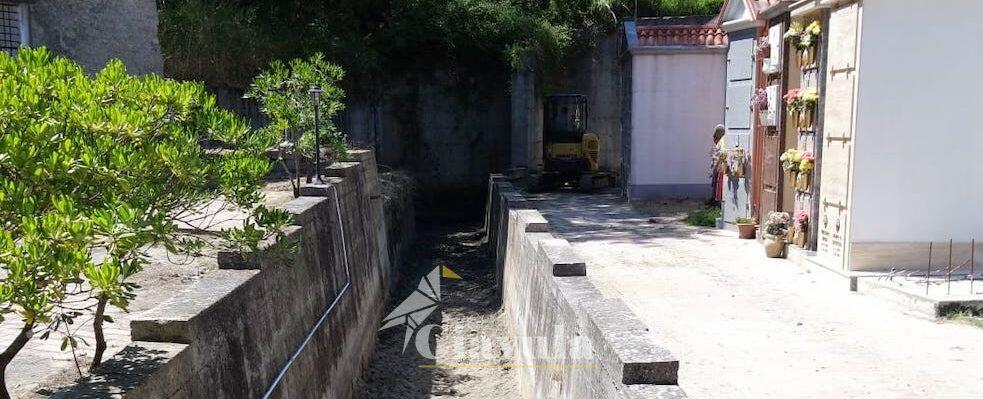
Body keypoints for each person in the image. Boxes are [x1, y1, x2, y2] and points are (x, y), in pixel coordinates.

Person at [709, 125, 726, 205]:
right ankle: (714, 199)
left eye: (716, 132)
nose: (714, 135)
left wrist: (716, 164)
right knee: (715, 182)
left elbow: (721, 154)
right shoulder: (721, 140)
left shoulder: (723, 140)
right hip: (718, 164)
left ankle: (716, 202)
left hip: (720, 165)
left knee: (718, 183)